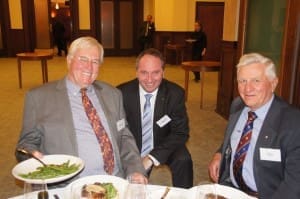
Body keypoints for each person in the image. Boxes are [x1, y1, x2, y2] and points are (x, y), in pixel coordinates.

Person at [15, 36, 147, 185]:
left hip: (115, 180)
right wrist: (30, 155)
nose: (89, 67)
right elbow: (25, 146)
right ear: (69, 60)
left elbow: (124, 137)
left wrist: (135, 169)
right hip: (70, 186)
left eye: (95, 62)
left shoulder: (112, 94)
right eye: (83, 59)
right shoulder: (39, 97)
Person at [208, 53, 300, 198]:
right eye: (242, 81)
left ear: (273, 83)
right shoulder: (238, 105)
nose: (247, 89)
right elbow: (233, 140)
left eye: (256, 81)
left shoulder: (293, 122)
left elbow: (294, 183)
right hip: (231, 189)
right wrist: (219, 153)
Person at [117, 48, 193, 188]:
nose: (150, 79)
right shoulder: (121, 93)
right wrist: (132, 157)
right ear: (136, 72)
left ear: (163, 72)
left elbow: (181, 132)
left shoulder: (175, 94)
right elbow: (118, 130)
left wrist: (151, 157)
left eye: (156, 73)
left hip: (163, 141)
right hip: (133, 144)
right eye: (144, 73)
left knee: (183, 159)